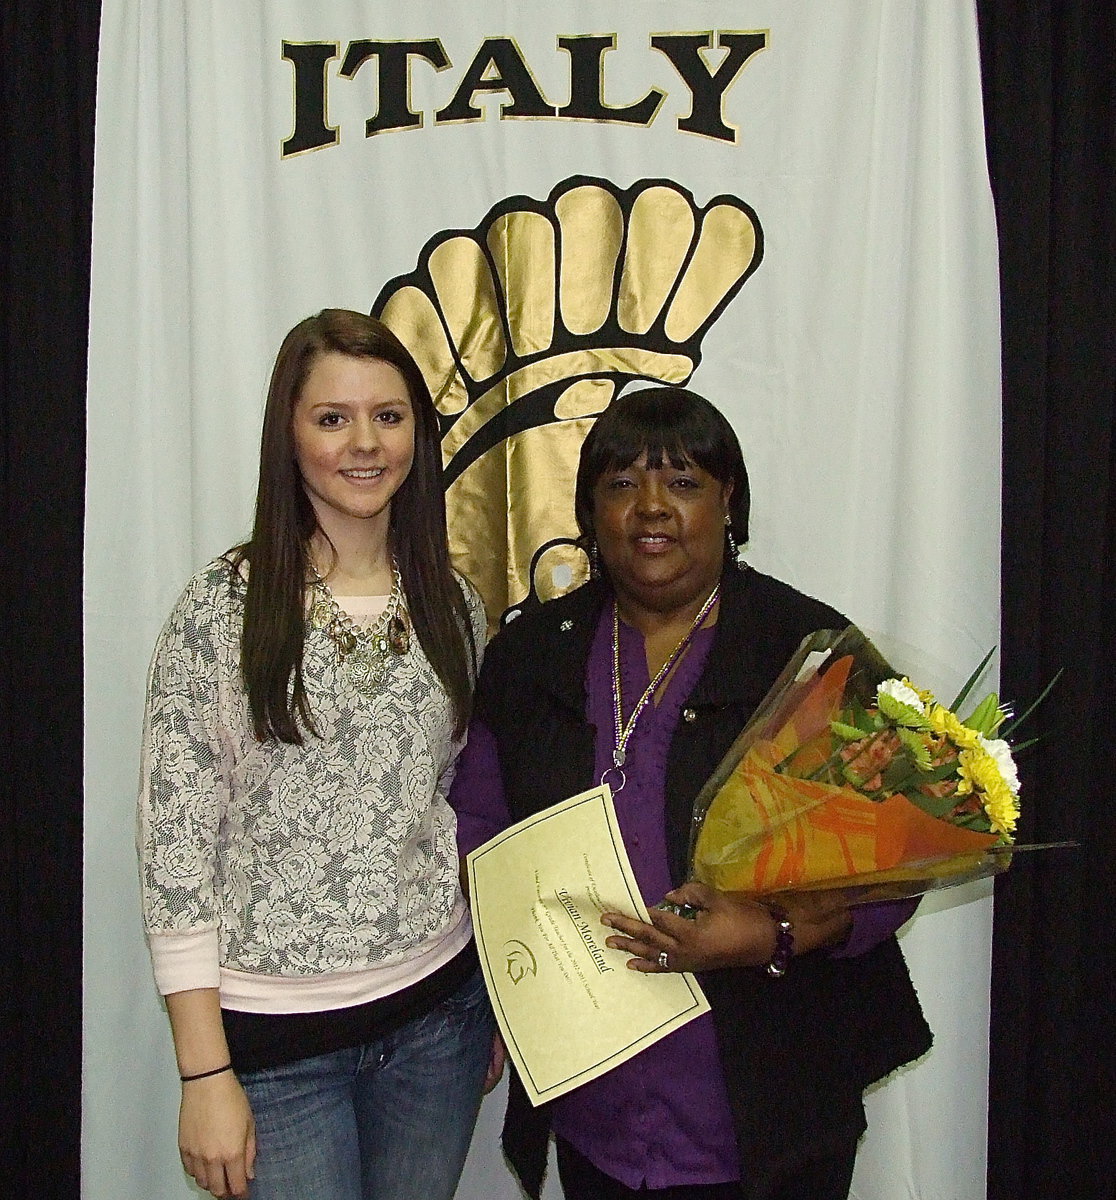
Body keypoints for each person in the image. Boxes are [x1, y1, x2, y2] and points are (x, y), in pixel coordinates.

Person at [449, 386, 932, 1200]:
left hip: (770, 1101)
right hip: (596, 1095)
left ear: (728, 502)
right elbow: (478, 826)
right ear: (588, 510)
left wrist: (770, 931)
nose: (650, 509)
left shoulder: (809, 654)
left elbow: (901, 857)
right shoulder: (530, 655)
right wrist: (509, 973)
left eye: (682, 483)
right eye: (620, 484)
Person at [138, 309, 497, 1200]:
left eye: (390, 414)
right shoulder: (223, 610)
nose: (364, 443)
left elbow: (451, 802)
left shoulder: (454, 606)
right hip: (277, 1048)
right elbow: (176, 852)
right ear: (287, 435)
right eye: (332, 418)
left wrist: (495, 1001)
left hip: (437, 1025)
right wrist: (202, 1075)